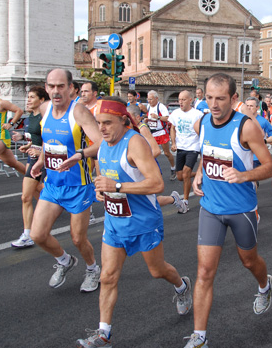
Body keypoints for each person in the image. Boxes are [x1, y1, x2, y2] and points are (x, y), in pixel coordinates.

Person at [75, 97, 192, 348]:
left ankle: (181, 286)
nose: (102, 128)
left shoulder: (135, 143)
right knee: (107, 276)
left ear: (123, 120)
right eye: (99, 123)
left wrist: (116, 186)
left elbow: (157, 184)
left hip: (143, 221)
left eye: (108, 123)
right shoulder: (104, 144)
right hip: (115, 221)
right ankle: (103, 332)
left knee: (157, 270)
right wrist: (101, 190)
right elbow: (103, 175)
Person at [184, 73, 272, 348]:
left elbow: (269, 167)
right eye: (209, 97)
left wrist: (244, 175)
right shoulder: (201, 122)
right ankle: (199, 337)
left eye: (220, 98)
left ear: (234, 99)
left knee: (249, 261)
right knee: (204, 272)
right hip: (211, 208)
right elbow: (207, 152)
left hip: (241, 209)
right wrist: (201, 171)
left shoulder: (246, 127)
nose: (213, 104)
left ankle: (264, 285)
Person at [29, 69, 103, 292]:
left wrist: (80, 155)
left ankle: (92, 268)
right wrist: (41, 160)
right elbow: (49, 140)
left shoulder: (78, 112)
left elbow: (101, 142)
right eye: (51, 86)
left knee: (78, 239)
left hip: (78, 186)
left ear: (71, 88)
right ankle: (64, 261)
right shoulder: (44, 109)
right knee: (37, 235)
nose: (55, 91)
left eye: (60, 86)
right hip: (53, 185)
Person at [11, 86, 50, 248]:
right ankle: (51, 206)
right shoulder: (29, 118)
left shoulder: (44, 117)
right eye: (28, 97)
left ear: (41, 100)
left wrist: (38, 150)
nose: (28, 100)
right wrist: (26, 143)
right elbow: (34, 137)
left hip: (41, 159)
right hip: (32, 157)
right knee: (37, 191)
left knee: (25, 196)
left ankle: (28, 234)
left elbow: (48, 140)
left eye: (32, 97)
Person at [169, 90, 203, 213]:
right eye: (179, 100)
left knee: (186, 172)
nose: (181, 102)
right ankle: (201, 175)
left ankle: (185, 202)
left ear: (190, 100)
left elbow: (202, 131)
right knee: (180, 176)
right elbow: (172, 128)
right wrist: (173, 143)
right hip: (181, 147)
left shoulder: (197, 114)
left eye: (183, 99)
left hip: (193, 147)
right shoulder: (175, 113)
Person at [145, 90, 176, 180]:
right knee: (151, 153)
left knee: (166, 153)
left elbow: (167, 119)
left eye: (151, 99)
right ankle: (152, 172)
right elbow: (149, 117)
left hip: (161, 132)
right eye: (148, 99)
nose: (149, 101)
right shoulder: (148, 106)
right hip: (152, 132)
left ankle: (173, 168)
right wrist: (147, 119)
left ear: (156, 98)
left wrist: (157, 117)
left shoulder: (161, 107)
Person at [245, 96, 272, 168]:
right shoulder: (239, 120)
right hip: (243, 155)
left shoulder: (263, 121)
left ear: (257, 108)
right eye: (247, 106)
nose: (249, 108)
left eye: (251, 106)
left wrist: (264, 141)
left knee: (253, 178)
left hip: (256, 157)